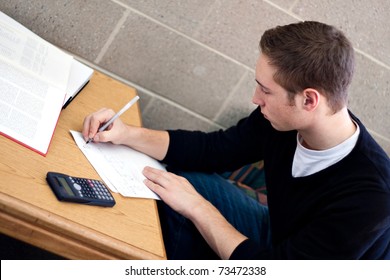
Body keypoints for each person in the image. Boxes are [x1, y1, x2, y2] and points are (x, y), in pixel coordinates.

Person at [82, 21, 390, 259]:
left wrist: (199, 209)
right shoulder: (282, 121)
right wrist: (127, 134)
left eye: (266, 91)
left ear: (309, 100)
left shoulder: (371, 198)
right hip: (278, 235)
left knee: (186, 204)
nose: (256, 98)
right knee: (171, 182)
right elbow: (213, 151)